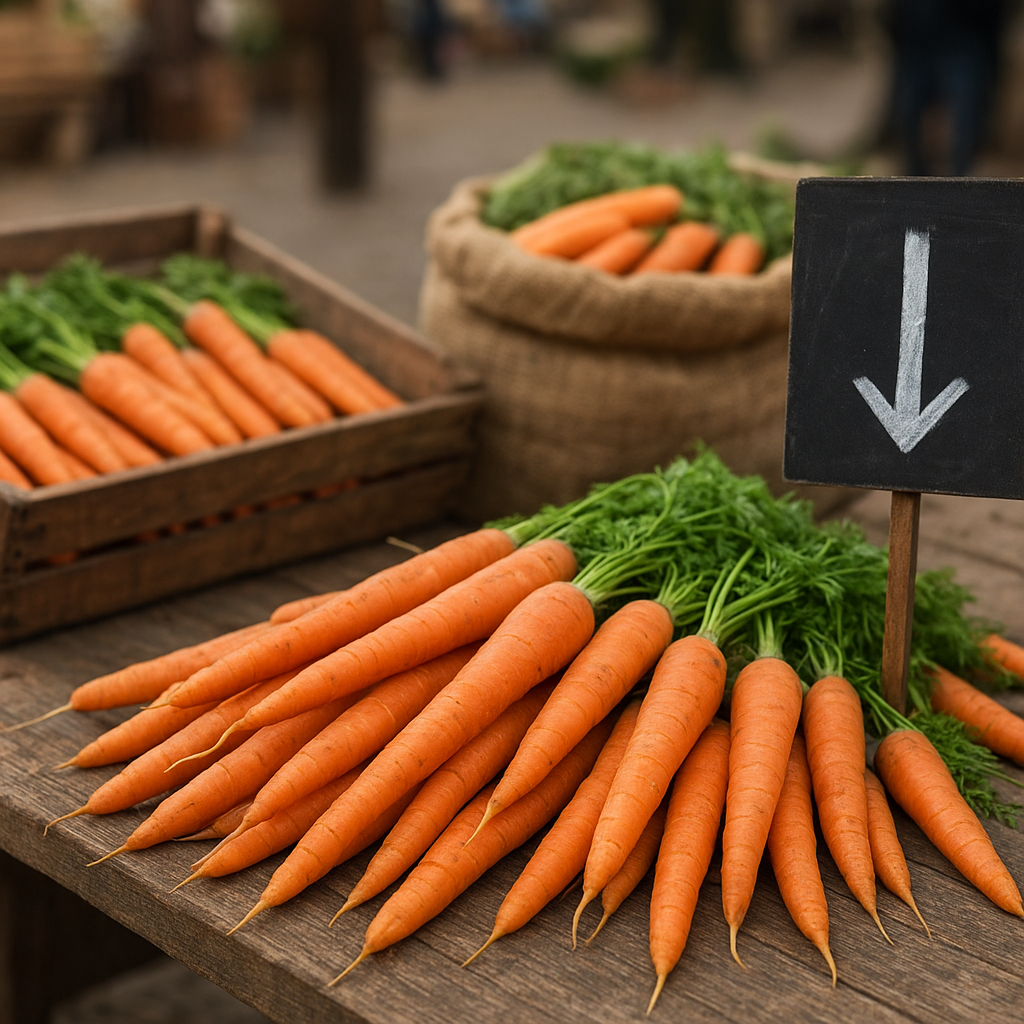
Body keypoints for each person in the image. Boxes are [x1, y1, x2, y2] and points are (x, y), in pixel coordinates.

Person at [886, 0, 1007, 176]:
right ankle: (914, 187)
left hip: (962, 41)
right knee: (907, 117)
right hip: (915, 43)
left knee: (965, 123)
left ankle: (961, 187)